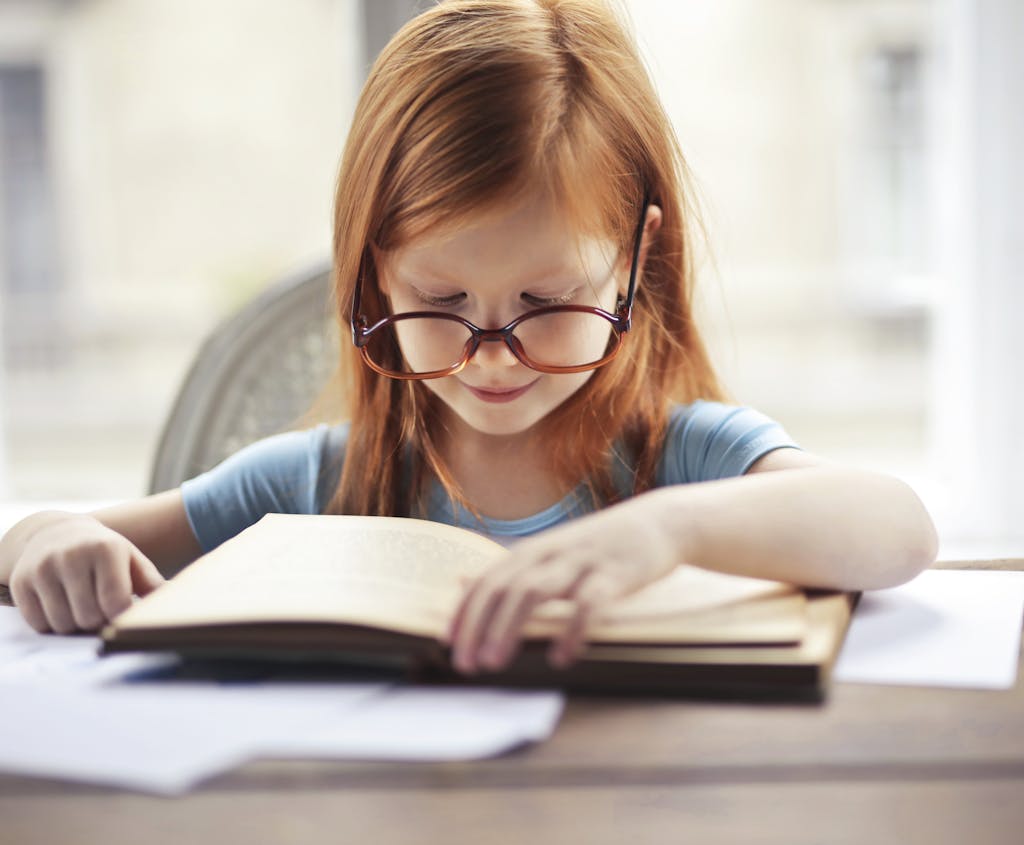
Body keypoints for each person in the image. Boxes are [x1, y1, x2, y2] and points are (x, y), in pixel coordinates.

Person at [0, 0, 937, 676]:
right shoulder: (313, 483)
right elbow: (39, 544)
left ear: (635, 258)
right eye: (440, 298)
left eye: (548, 298)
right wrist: (46, 536)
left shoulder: (685, 460)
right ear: (372, 273)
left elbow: (898, 527)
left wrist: (667, 529)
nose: (492, 353)